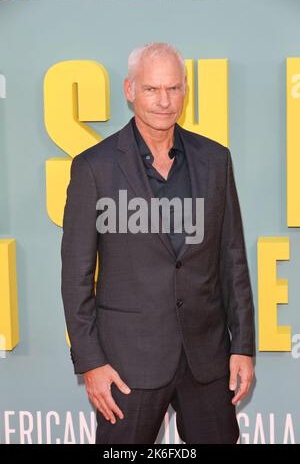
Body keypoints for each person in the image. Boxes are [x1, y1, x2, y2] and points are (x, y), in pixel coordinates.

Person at [61, 42, 255, 444]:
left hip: (206, 357)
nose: (164, 101)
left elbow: (232, 258)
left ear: (186, 90)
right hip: (128, 363)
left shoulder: (215, 160)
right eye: (152, 89)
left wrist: (244, 346)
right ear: (130, 89)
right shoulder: (94, 168)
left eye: (173, 89)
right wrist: (92, 362)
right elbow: (76, 276)